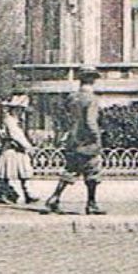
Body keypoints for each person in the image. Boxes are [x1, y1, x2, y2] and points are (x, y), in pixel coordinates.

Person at [42, 67, 104, 215]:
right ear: (93, 80)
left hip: (73, 138)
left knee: (71, 169)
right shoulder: (92, 99)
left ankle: (54, 199)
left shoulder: (72, 98)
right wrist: (96, 137)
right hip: (87, 140)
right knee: (92, 171)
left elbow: (65, 118)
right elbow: (90, 121)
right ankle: (91, 203)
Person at [0, 94, 38, 206]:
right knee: (12, 173)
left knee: (24, 173)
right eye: (19, 109)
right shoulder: (9, 120)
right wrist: (28, 146)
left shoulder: (17, 121)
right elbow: (15, 135)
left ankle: (28, 194)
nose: (21, 112)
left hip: (19, 150)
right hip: (12, 149)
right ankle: (15, 195)